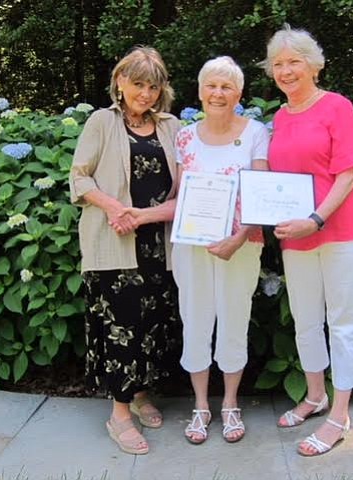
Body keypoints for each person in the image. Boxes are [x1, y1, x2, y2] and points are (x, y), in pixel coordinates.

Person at [125, 56, 269, 444]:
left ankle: (231, 405)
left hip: (241, 244)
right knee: (196, 319)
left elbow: (261, 194)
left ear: (238, 94)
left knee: (235, 320)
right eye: (211, 86)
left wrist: (239, 236)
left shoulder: (257, 132)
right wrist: (139, 214)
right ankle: (202, 406)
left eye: (226, 87)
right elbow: (178, 196)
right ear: (200, 92)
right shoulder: (185, 137)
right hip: (192, 246)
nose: (218, 93)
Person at [261, 25, 353, 456]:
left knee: (343, 323)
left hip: (343, 230)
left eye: (294, 61)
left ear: (315, 64)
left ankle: (340, 414)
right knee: (306, 319)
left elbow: (348, 173)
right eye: (278, 64)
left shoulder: (337, 107)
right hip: (298, 236)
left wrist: (316, 218)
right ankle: (315, 395)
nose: (286, 70)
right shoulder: (280, 116)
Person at [69, 46, 181, 456]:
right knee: (122, 327)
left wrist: (146, 216)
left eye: (153, 86)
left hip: (158, 243)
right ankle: (118, 415)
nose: (146, 94)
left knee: (153, 324)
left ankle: (140, 394)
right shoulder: (102, 122)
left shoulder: (170, 126)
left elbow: (185, 185)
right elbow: (79, 179)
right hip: (114, 242)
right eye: (138, 84)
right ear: (120, 81)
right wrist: (118, 209)